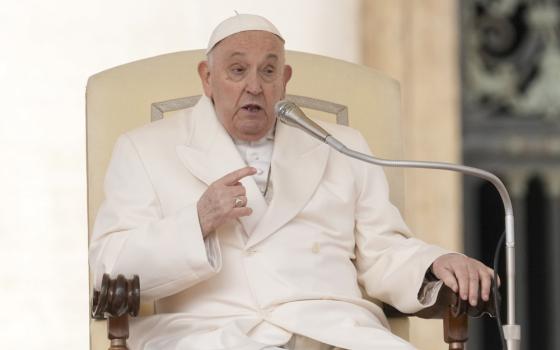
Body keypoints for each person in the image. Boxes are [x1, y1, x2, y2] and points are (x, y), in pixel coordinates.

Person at [89, 14, 496, 350]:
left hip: (334, 332)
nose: (254, 86)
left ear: (284, 79)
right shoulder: (145, 149)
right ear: (206, 78)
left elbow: (383, 251)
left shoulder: (343, 146)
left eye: (268, 71)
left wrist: (433, 264)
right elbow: (109, 267)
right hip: (214, 335)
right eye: (237, 70)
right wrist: (197, 221)